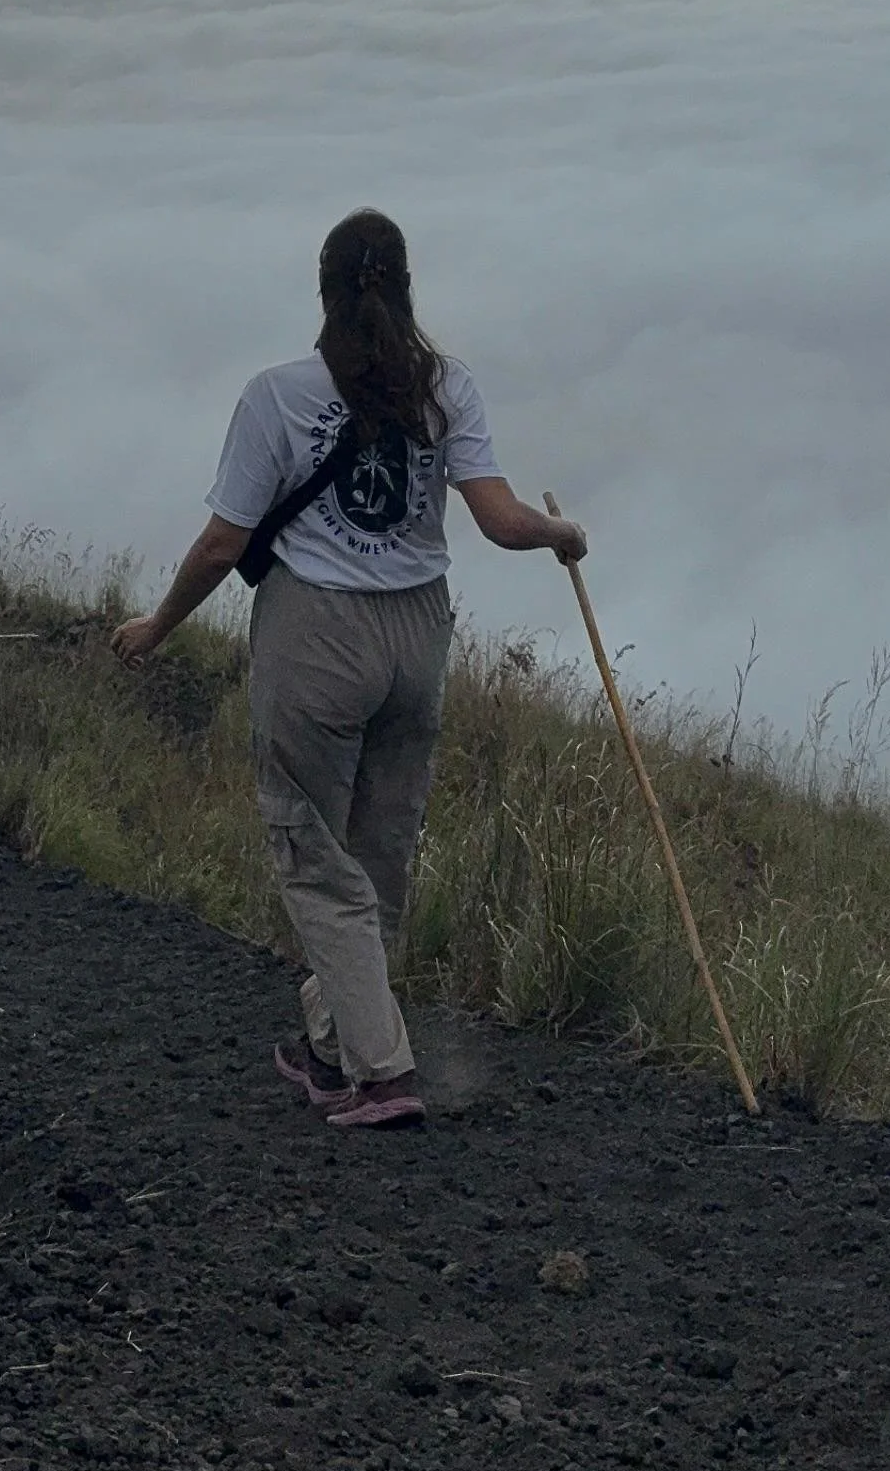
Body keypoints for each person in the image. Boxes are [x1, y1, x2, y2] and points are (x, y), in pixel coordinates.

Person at [112, 209, 586, 1128]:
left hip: (318, 633)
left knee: (311, 850)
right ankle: (330, 1050)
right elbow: (497, 519)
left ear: (323, 296)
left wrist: (157, 629)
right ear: (406, 291)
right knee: (379, 853)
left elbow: (222, 545)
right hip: (420, 633)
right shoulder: (447, 389)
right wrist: (562, 535)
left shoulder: (277, 397)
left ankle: (382, 1070)